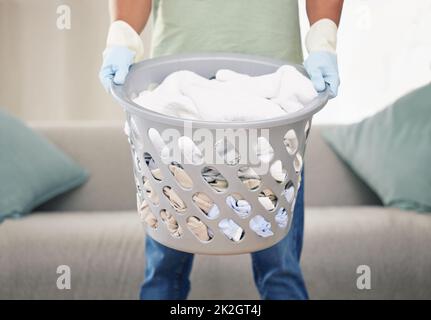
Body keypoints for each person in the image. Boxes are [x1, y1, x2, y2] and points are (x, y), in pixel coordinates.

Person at [99, 0, 343, 300]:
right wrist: (122, 35)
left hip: (273, 106)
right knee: (164, 270)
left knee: (280, 268)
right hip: (173, 105)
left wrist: (323, 38)